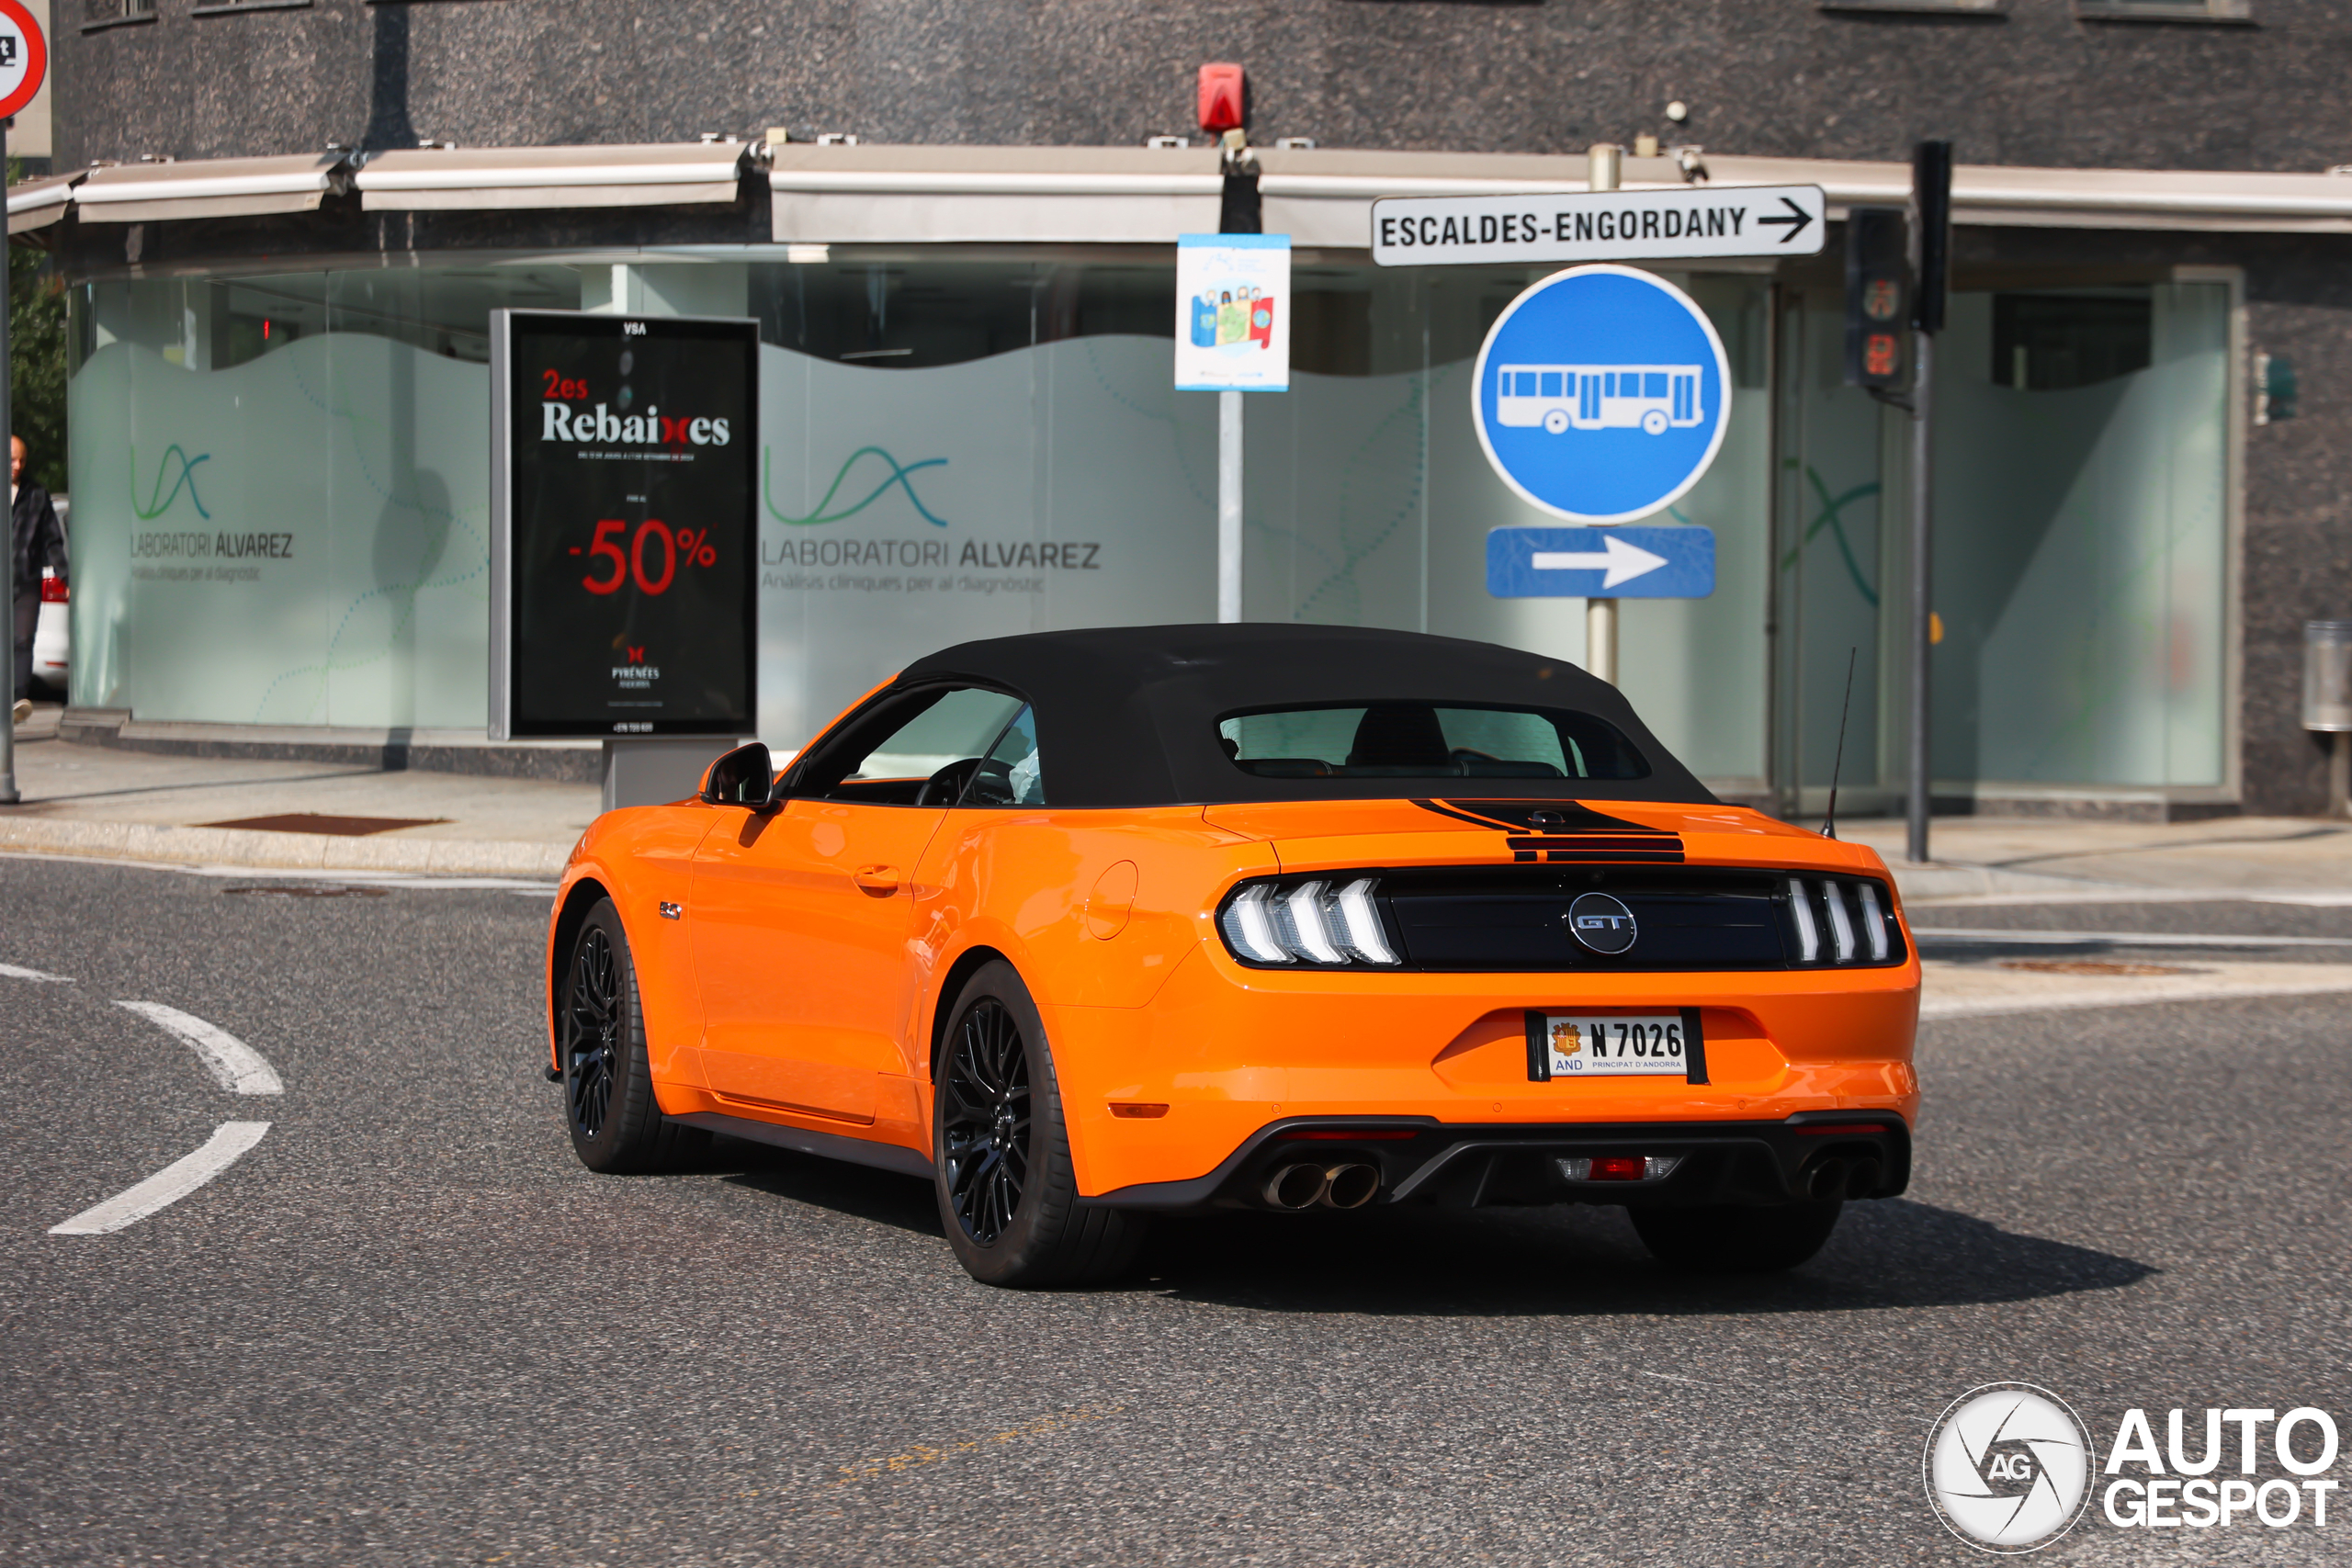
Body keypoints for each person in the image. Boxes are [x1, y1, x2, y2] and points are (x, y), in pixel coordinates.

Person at [12, 434, 66, 725]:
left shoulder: (36, 494)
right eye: (11, 459)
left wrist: (64, 572)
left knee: (23, 640)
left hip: (27, 580)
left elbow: (51, 540)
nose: (17, 465)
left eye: (21, 459)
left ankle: (17, 700)